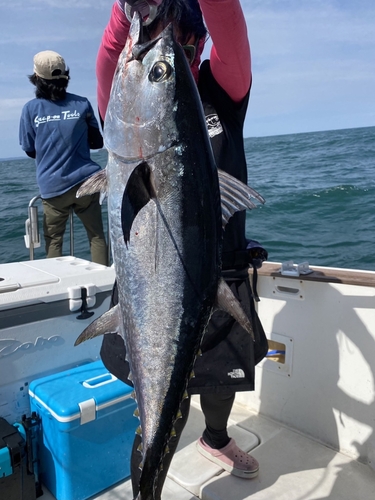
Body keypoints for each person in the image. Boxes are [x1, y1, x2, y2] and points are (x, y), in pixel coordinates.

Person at [97, 0, 269, 496]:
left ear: (199, 41)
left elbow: (231, 31)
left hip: (219, 268)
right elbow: (111, 61)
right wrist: (126, 10)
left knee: (222, 386)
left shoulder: (224, 90)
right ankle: (146, 483)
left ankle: (216, 438)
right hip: (151, 279)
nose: (174, 41)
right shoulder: (132, 92)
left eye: (186, 37)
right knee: (157, 409)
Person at [19, 50, 108, 265]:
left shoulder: (30, 109)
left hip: (53, 187)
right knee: (96, 236)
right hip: (86, 183)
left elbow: (30, 150)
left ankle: (58, 284)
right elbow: (97, 143)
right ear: (65, 76)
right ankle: (104, 282)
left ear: (37, 79)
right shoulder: (83, 104)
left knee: (54, 241)